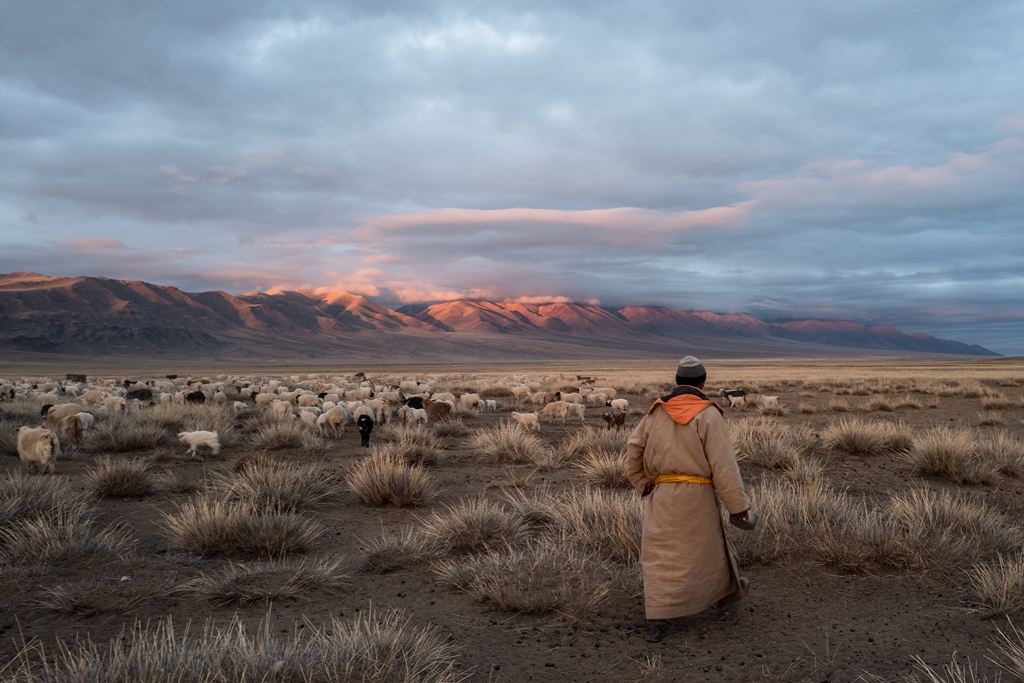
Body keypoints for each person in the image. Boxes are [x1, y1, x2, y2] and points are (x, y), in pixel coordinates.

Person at [626, 356, 752, 643]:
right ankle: (724, 595)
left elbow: (634, 448)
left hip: (661, 493)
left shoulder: (656, 413)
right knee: (707, 550)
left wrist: (642, 482)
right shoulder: (708, 414)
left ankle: (658, 620)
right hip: (697, 494)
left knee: (660, 556)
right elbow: (724, 465)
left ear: (677, 382)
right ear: (702, 384)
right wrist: (738, 508)